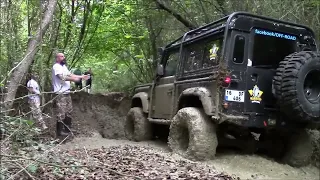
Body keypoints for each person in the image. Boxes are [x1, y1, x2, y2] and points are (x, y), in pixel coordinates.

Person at [51, 53, 89, 137]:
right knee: (61, 113)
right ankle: (59, 132)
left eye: (64, 56)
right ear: (57, 58)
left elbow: (69, 74)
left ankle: (67, 129)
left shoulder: (63, 67)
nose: (63, 58)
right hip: (60, 94)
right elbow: (61, 77)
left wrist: (81, 76)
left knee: (69, 111)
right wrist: (74, 79)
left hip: (67, 93)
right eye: (61, 56)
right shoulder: (56, 66)